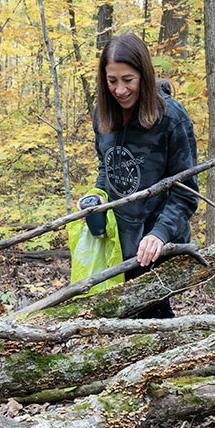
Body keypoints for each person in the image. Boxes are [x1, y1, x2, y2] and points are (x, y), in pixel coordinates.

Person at [82, 33, 198, 319]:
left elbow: (186, 192)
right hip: (117, 242)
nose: (119, 90)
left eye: (127, 80)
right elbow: (106, 166)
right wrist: (96, 197)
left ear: (143, 76)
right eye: (112, 81)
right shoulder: (103, 114)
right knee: (120, 323)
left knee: (153, 324)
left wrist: (159, 234)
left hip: (159, 245)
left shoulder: (171, 118)